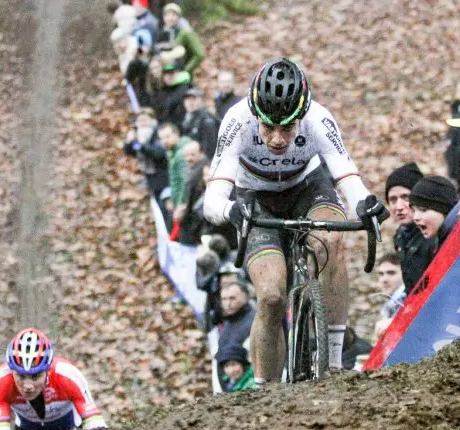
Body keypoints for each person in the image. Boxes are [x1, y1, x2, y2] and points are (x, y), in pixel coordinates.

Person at [204, 57, 389, 385]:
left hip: (307, 187)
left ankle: (332, 363)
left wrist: (366, 205)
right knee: (272, 296)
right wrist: (230, 210)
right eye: (268, 127)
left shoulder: (319, 119)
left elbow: (348, 178)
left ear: (301, 118)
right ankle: (265, 389)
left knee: (330, 240)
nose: (276, 138)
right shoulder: (237, 121)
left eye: (287, 127)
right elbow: (213, 199)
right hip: (256, 198)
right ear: (256, 115)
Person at [0, 328, 107, 430]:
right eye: (20, 376)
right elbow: (0, 425)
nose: (28, 385)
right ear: (12, 370)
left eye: (35, 376)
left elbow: (94, 421)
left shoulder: (67, 375)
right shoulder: (0, 380)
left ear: (47, 371)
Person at [385, 162, 433, 295]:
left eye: (405, 197)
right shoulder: (400, 237)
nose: (399, 207)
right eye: (393, 200)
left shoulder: (433, 233)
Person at [410, 175, 460, 254]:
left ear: (443, 209)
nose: (415, 217)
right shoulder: (441, 238)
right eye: (413, 210)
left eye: (423, 210)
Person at [174, 140, 209, 244]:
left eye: (193, 155)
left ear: (201, 153)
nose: (189, 159)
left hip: (198, 222)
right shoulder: (191, 170)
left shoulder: (204, 169)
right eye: (187, 156)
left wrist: (183, 213)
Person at [160, 3, 205, 76]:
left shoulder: (186, 31)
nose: (170, 18)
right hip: (167, 76)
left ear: (179, 17)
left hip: (181, 76)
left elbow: (199, 54)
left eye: (173, 15)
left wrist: (186, 70)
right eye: (167, 15)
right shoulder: (164, 32)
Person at [158, 123, 191, 216]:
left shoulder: (182, 153)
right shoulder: (173, 152)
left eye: (167, 136)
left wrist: (181, 205)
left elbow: (185, 182)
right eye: (161, 138)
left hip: (186, 207)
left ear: (176, 134)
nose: (164, 141)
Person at [373, 252, 405, 337]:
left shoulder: (409, 302)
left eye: (391, 273)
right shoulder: (390, 304)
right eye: (381, 274)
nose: (384, 279)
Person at [182, 87, 220, 159]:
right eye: (187, 99)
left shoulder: (207, 120)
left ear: (202, 101)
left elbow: (209, 149)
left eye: (194, 99)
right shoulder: (188, 118)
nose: (190, 102)